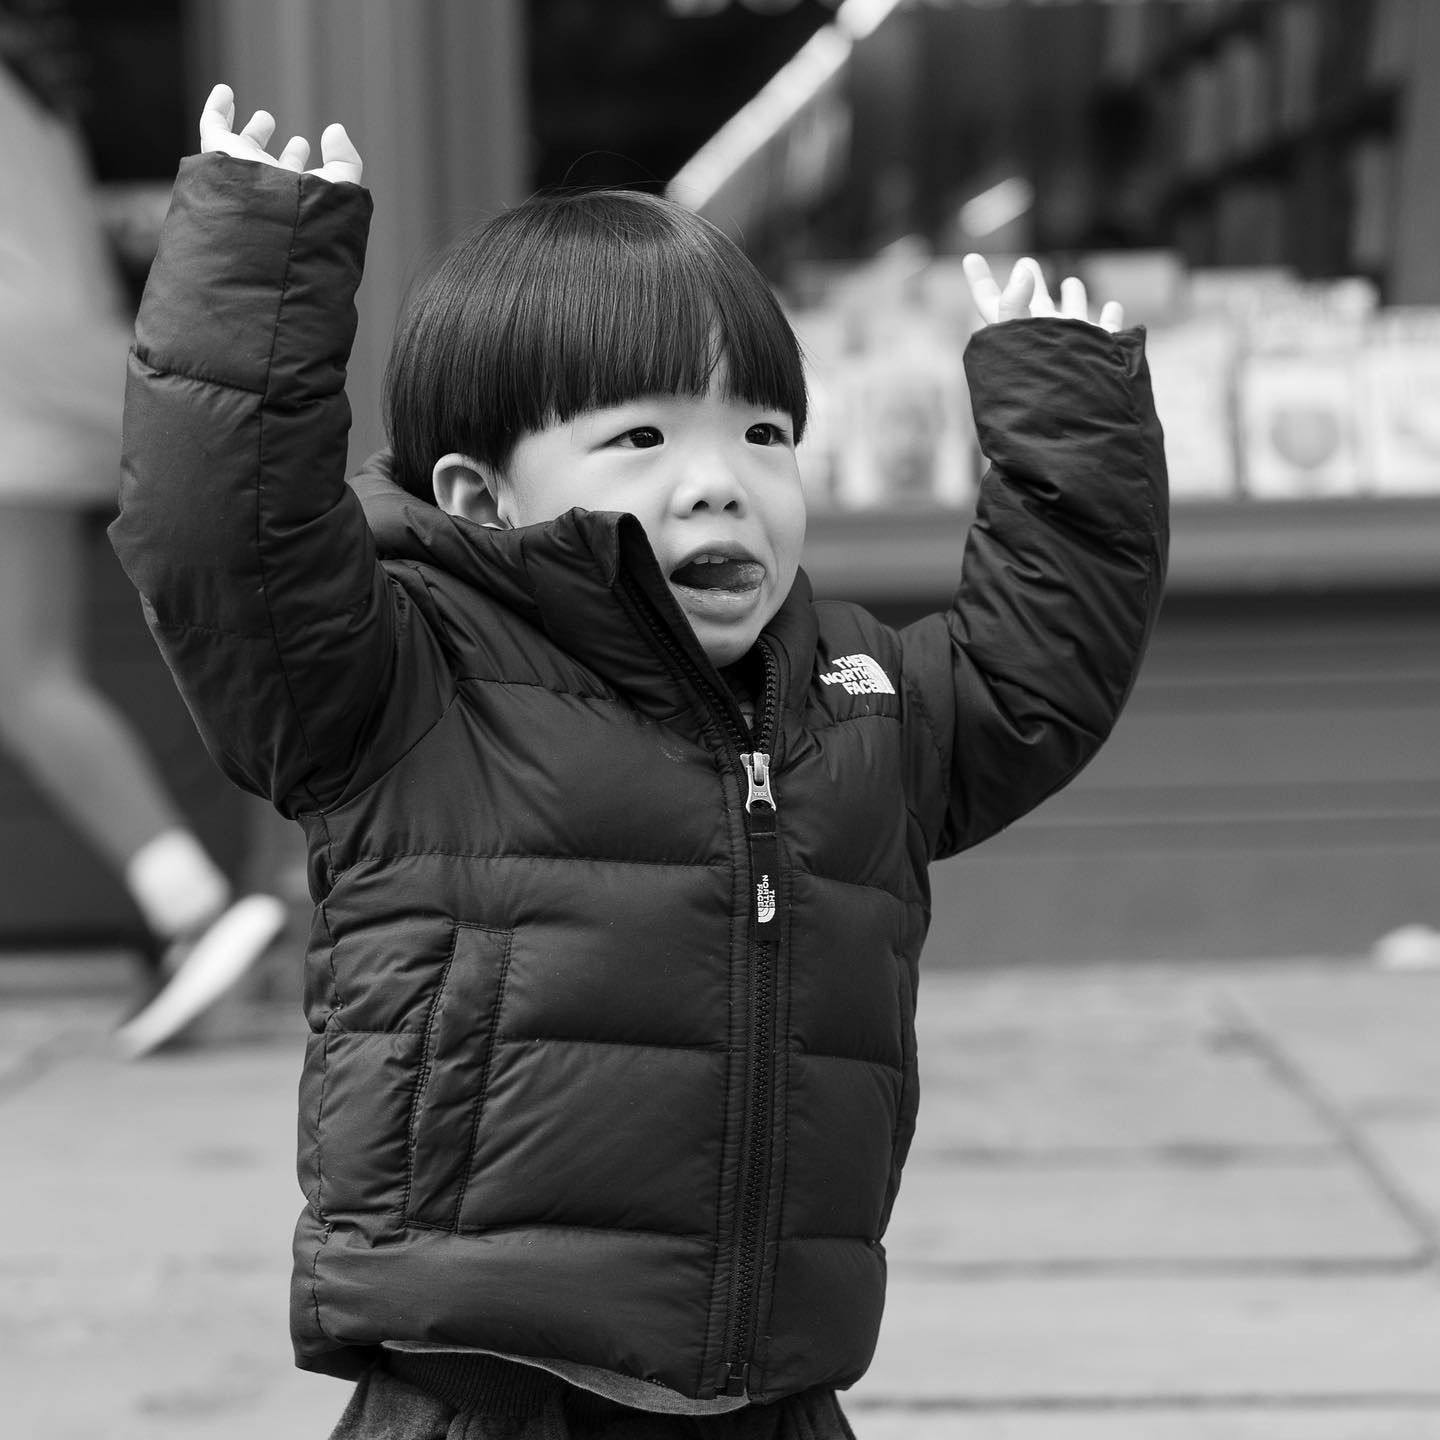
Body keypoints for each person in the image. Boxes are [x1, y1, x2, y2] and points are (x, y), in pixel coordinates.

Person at [109, 82, 1168, 1439]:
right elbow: (220, 542)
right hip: (487, 1388)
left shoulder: (857, 702)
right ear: (483, 499)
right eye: (642, 438)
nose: (721, 480)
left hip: (772, 1392)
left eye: (764, 435)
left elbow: (1039, 671)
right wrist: (254, 271)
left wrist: (1070, 418)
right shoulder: (403, 683)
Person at [0, 14, 284, 1058]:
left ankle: (200, 909)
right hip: (51, 372)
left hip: (18, 383)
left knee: (26, 679)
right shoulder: (27, 84)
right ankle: (206, 905)